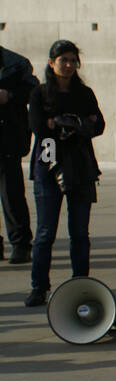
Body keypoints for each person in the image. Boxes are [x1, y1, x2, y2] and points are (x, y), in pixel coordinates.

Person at [26, 41, 105, 307]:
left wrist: (72, 124)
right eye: (64, 60)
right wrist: (68, 124)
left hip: (80, 167)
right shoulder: (40, 93)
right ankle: (39, 286)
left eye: (73, 60)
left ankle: (80, 284)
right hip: (49, 168)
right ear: (52, 63)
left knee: (80, 233)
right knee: (45, 232)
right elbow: (39, 127)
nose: (69, 65)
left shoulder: (84, 93)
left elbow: (98, 125)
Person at [0, 43, 37, 264]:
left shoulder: (16, 64)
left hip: (7, 140)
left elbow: (33, 91)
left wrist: (9, 95)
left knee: (11, 195)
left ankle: (21, 244)